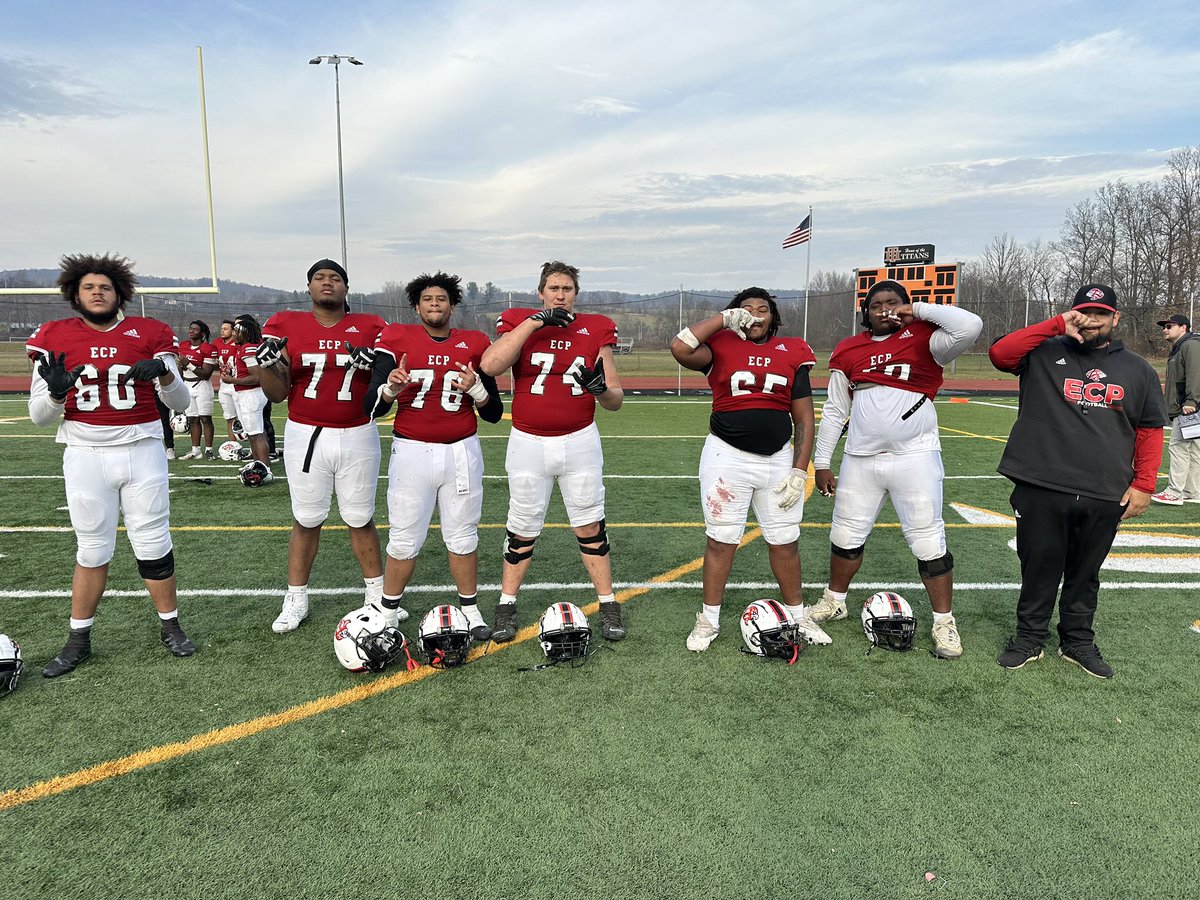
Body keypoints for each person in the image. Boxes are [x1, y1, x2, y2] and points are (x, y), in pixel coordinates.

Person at [25, 253, 197, 677]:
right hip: (84, 453)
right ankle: (78, 639)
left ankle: (170, 626)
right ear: (74, 294)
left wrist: (166, 375)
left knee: (154, 542)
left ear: (119, 292)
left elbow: (181, 403)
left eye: (104, 286)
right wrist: (55, 394)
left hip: (142, 448)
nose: (97, 293)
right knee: (92, 547)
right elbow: (38, 416)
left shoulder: (151, 332)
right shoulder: (54, 335)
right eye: (89, 287)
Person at [989, 283, 1166, 678]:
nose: (1091, 320)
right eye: (1083, 312)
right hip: (1041, 482)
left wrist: (1145, 484)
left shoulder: (1138, 369)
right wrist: (1056, 325)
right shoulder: (1043, 350)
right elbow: (1000, 354)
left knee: (1086, 572)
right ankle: (1030, 638)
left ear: (1115, 318)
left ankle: (1077, 641)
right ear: (1071, 314)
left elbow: (1150, 430)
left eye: (1101, 314)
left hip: (1105, 489)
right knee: (1038, 566)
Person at [806, 280, 983, 659]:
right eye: (876, 305)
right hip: (861, 458)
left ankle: (943, 621)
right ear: (864, 313)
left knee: (927, 539)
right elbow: (836, 410)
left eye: (893, 303)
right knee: (846, 534)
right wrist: (822, 462)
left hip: (914, 456)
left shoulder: (926, 338)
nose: (884, 309)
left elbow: (971, 325)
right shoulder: (848, 349)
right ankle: (835, 600)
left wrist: (916, 310)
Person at [479, 260, 626, 643]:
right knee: (522, 527)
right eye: (553, 288)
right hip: (528, 441)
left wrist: (599, 389)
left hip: (580, 440)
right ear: (541, 292)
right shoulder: (518, 320)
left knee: (591, 524)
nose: (560, 295)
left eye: (567, 289)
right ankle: (506, 606)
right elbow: (491, 364)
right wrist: (535, 323)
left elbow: (615, 401)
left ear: (576, 293)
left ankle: (608, 604)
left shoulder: (595, 328)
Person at [670, 288, 823, 651]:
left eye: (762, 310)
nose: (755, 315)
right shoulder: (720, 343)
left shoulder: (793, 350)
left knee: (785, 540)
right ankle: (708, 619)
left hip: (778, 458)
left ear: (774, 317)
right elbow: (680, 347)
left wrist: (799, 469)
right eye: (746, 310)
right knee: (721, 539)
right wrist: (723, 319)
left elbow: (803, 418)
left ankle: (798, 615)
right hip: (727, 456)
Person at [366, 272, 504, 638]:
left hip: (461, 452)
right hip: (412, 451)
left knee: (463, 535)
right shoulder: (397, 338)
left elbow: (493, 413)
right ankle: (389, 611)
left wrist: (476, 390)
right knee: (405, 537)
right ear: (416, 306)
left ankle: (471, 610)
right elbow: (372, 408)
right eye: (427, 299)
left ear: (452, 305)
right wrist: (391, 390)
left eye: (441, 299)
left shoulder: (474, 342)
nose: (434, 305)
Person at [254, 259, 387, 633]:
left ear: (347, 288)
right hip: (306, 432)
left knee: (360, 517)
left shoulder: (372, 326)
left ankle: (377, 597)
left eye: (335, 278)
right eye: (319, 278)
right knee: (307, 519)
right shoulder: (285, 325)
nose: (327, 283)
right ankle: (295, 598)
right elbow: (277, 393)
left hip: (358, 430)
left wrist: (372, 368)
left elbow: (387, 383)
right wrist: (267, 366)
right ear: (308, 288)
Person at [1151, 314, 1200, 505]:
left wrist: (1191, 401)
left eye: (1169, 326)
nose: (1165, 329)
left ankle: (1174, 491)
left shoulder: (1190, 345)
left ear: (1183, 328)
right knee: (1193, 448)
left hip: (1188, 408)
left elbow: (1196, 374)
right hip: (1189, 406)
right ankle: (1192, 490)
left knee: (1178, 446)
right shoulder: (1182, 346)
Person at [221, 315, 272, 477]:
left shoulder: (248, 347)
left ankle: (265, 469)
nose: (233, 334)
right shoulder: (243, 347)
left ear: (245, 333)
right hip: (247, 393)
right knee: (253, 433)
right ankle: (257, 465)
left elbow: (257, 376)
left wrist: (232, 379)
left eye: (236, 331)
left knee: (256, 434)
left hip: (251, 394)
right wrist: (232, 372)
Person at [177, 319, 218, 459]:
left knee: (205, 418)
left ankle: (208, 449)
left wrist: (189, 364)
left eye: (195, 329)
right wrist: (181, 367)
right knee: (192, 419)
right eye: (190, 328)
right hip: (187, 385)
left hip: (202, 385)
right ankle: (195, 451)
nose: (191, 331)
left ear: (202, 333)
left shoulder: (208, 349)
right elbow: (180, 368)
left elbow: (206, 374)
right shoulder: (182, 346)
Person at [213, 319, 240, 440]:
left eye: (225, 329)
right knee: (229, 417)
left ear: (233, 331)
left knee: (244, 417)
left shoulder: (239, 342)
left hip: (237, 384)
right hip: (223, 385)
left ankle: (252, 448)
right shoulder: (216, 343)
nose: (222, 331)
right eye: (221, 328)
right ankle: (234, 445)